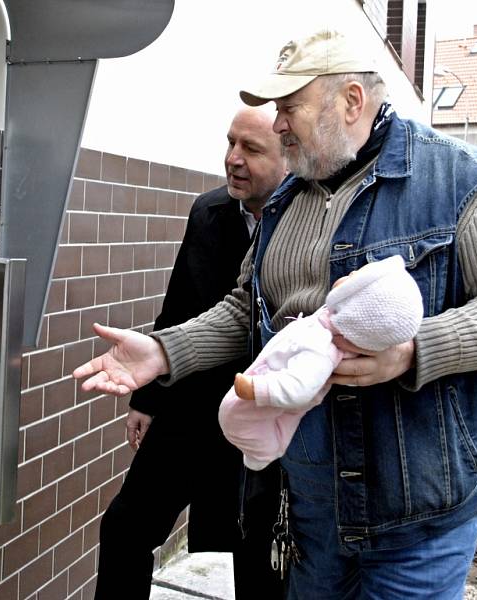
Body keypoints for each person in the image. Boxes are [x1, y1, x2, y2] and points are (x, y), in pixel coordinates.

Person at [74, 28, 477, 599]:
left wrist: (413, 351)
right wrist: (163, 350)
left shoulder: (461, 181)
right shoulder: (289, 200)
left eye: (289, 108)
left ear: (352, 101)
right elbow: (244, 307)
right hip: (311, 513)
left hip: (416, 514)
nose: (277, 125)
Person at [94, 106, 287, 600]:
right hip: (191, 406)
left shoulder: (304, 225)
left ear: (290, 153)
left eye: (252, 149)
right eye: (230, 143)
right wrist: (147, 400)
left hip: (266, 417)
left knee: (255, 557)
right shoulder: (209, 211)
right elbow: (179, 304)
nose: (233, 160)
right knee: (124, 528)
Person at [220, 254, 423, 470]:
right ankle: (262, 452)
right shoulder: (330, 318)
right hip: (278, 375)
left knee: (232, 416)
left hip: (273, 387)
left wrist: (257, 388)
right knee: (280, 421)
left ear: (356, 307)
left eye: (356, 279)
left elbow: (300, 388)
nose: (352, 272)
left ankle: (261, 453)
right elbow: (244, 305)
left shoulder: (322, 346)